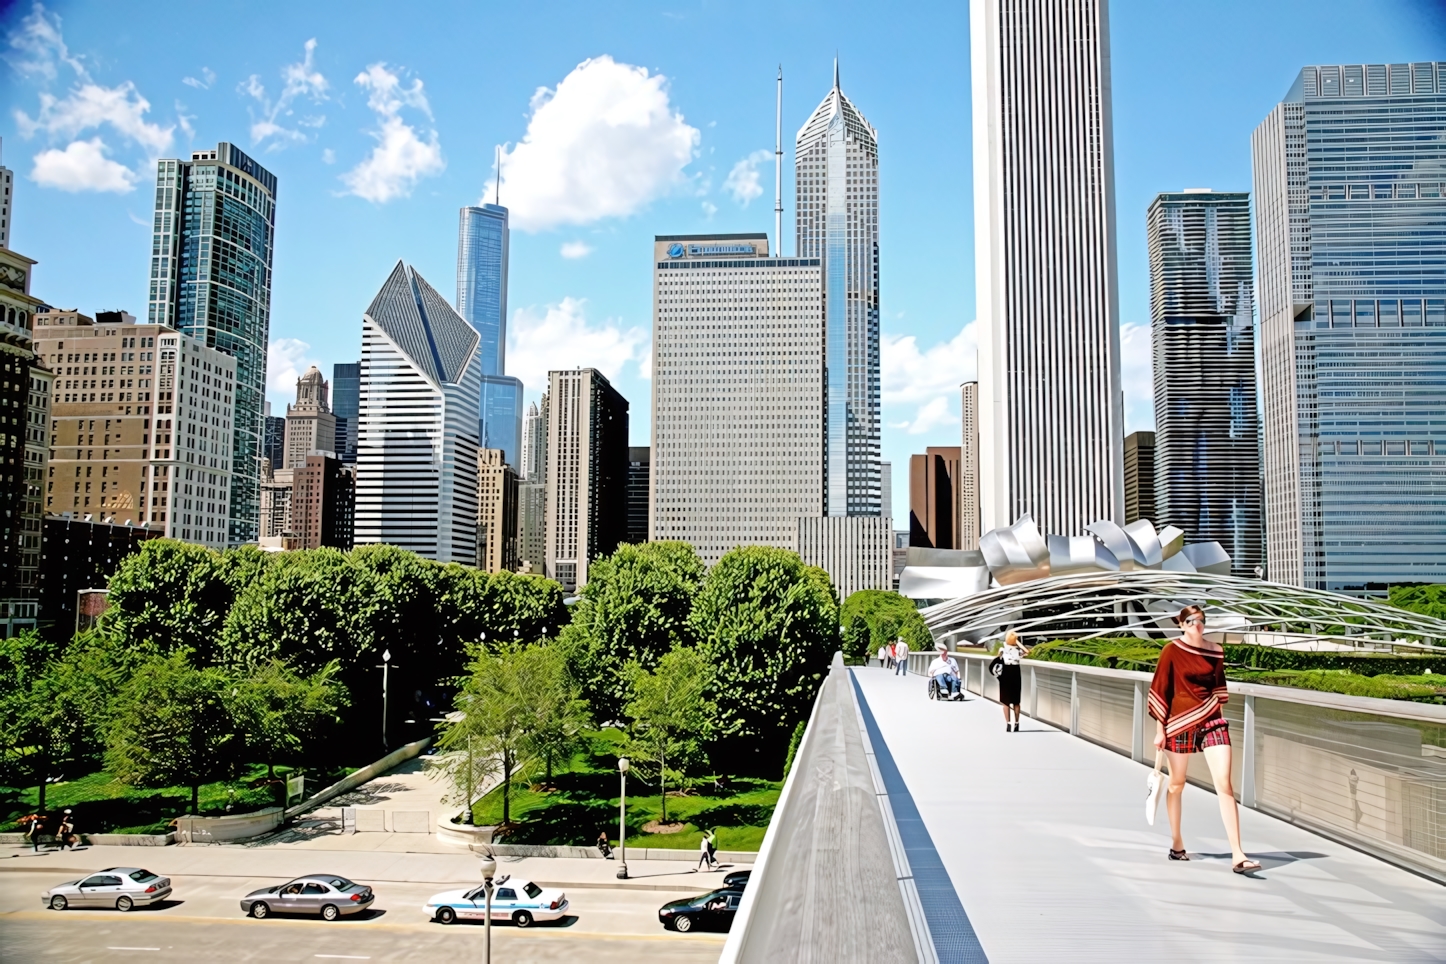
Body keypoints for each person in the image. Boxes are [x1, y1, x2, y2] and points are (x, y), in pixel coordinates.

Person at [1149, 605, 1261, 874]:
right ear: (1181, 624)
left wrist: (1220, 718)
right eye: (1190, 621)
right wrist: (1159, 730)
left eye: (1200, 620)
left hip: (1212, 720)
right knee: (1177, 784)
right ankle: (1177, 843)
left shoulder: (1216, 651)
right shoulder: (1171, 651)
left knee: (1225, 785)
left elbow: (1219, 689)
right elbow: (1161, 689)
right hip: (1178, 722)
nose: (1196, 625)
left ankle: (1238, 854)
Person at [998, 631, 1028, 731]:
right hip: (1015, 672)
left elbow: (998, 658)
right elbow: (1027, 651)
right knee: (1015, 701)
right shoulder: (1017, 651)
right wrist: (1018, 642)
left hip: (1007, 673)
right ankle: (1016, 722)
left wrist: (1015, 642)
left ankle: (1009, 723)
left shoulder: (1003, 649)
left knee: (1007, 701)